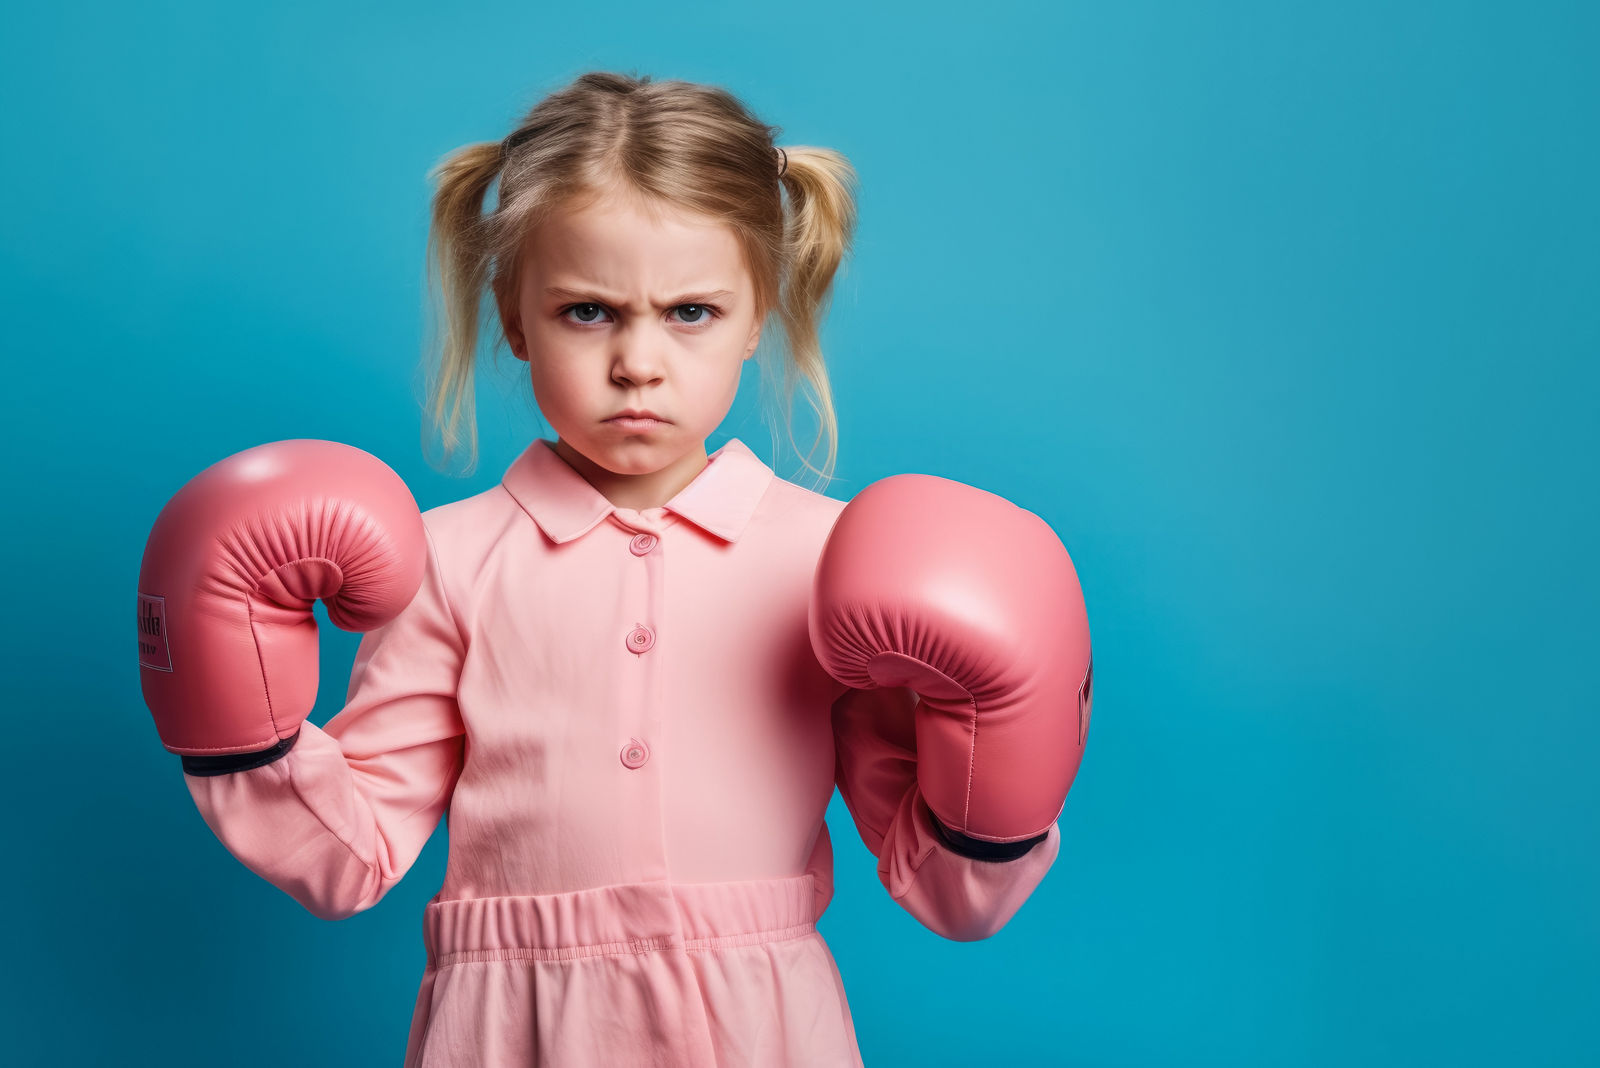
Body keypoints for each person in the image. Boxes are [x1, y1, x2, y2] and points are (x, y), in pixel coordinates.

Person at [137, 71, 1090, 1066]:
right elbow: (347, 858)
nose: (640, 362)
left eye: (690, 313)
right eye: (588, 313)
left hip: (762, 1026)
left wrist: (997, 793)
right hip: (513, 1032)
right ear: (513, 319)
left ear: (758, 314)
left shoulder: (834, 562)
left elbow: (947, 892)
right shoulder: (447, 562)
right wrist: (236, 732)